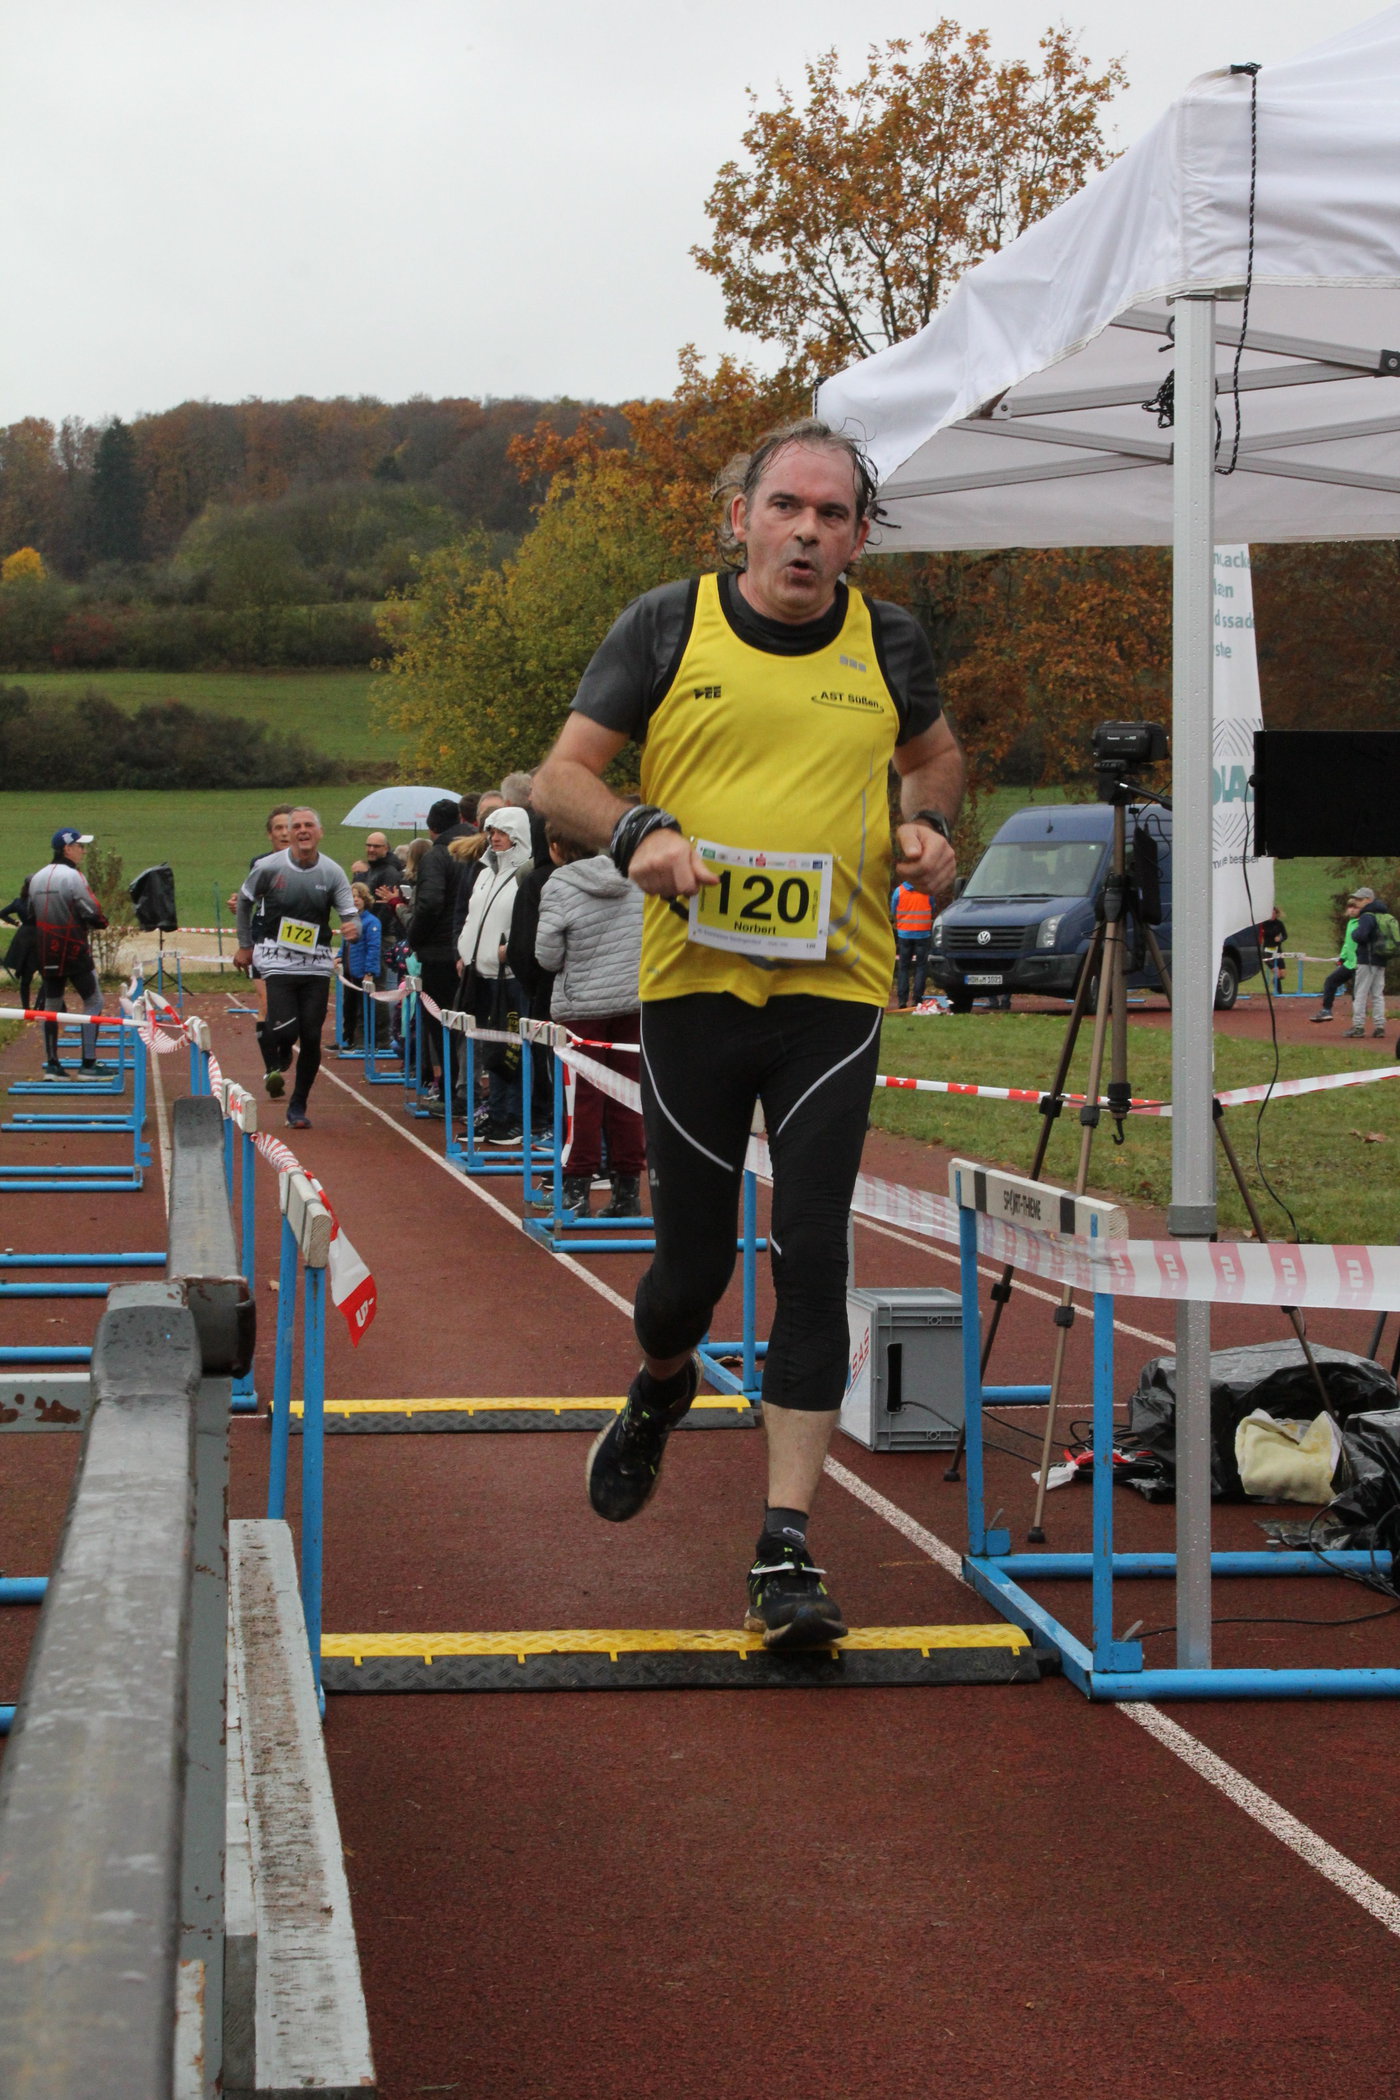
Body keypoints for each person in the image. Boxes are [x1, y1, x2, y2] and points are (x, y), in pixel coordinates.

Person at [534, 415, 962, 1648]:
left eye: (832, 515)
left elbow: (935, 759)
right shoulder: (668, 624)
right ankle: (661, 1384)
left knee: (813, 1251)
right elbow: (562, 777)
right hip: (695, 989)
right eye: (787, 507)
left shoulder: (887, 639)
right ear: (741, 519)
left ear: (859, 537)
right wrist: (638, 834)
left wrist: (928, 825)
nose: (806, 533)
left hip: (833, 987)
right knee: (690, 1271)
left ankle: (784, 1544)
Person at [535, 825, 646, 1218]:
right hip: (632, 999)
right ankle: (627, 1192)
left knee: (580, 1098)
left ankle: (577, 1188)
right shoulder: (634, 877)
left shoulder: (558, 884)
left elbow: (547, 955)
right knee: (627, 1095)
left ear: (556, 846)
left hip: (582, 1004)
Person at [233, 807, 360, 1129]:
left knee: (312, 1036)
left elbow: (350, 914)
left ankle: (298, 1104)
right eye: (297, 826)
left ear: (320, 832)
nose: (303, 830)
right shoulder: (269, 867)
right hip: (276, 958)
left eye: (309, 825)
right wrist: (245, 944)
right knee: (287, 1030)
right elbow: (244, 901)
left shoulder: (332, 872)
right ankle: (280, 1050)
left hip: (316, 961)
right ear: (289, 833)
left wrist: (353, 928)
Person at [455, 805, 534, 1142]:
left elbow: (530, 922)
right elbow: (472, 916)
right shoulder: (485, 872)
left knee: (513, 1053)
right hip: (482, 974)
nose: (495, 838)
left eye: (503, 832)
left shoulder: (525, 873)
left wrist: (512, 949)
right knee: (492, 1051)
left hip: (511, 979)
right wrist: (465, 951)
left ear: (518, 835)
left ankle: (515, 1117)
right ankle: (497, 1113)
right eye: (492, 832)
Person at [408, 797, 476, 1108]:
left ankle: (452, 1092)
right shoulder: (478, 849)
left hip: (440, 952)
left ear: (431, 828)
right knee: (470, 1023)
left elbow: (431, 903)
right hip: (472, 948)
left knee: (442, 1024)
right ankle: (465, 1089)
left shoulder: (437, 857)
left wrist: (414, 936)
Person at [28, 827, 107, 1076]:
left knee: (51, 1006)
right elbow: (92, 911)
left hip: (45, 952)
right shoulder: (74, 876)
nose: (83, 851)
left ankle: (52, 1065)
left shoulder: (37, 877)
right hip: (73, 950)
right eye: (80, 846)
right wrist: (100, 922)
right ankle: (88, 1064)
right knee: (94, 1001)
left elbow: (30, 914)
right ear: (67, 849)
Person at [1344, 886, 1393, 1039]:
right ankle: (1380, 1026)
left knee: (1360, 993)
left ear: (1368, 900)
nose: (1357, 902)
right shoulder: (1383, 914)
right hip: (1381, 959)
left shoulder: (1367, 916)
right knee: (1378, 994)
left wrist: (1354, 933)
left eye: (1360, 899)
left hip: (1367, 959)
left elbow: (1361, 935)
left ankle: (1358, 1026)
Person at [340, 882, 382, 1048]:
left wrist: (369, 972)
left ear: (365, 900)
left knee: (364, 1009)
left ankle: (366, 1042)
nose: (355, 900)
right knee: (348, 1007)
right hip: (349, 973)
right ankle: (348, 1039)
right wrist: (338, 957)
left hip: (362, 973)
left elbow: (374, 947)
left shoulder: (372, 922)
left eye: (359, 897)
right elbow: (345, 943)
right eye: (352, 897)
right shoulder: (350, 920)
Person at [1311, 897, 1360, 1021]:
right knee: (1331, 981)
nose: (1352, 910)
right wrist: (1342, 958)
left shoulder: (1364, 922)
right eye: (1350, 907)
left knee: (1358, 993)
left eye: (1355, 907)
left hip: (1360, 964)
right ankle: (1326, 1010)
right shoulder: (1351, 923)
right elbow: (1347, 943)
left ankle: (1360, 1020)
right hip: (1349, 963)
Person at [890, 878, 934, 1009]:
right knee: (921, 967)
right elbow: (932, 907)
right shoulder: (927, 890)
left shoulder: (899, 891)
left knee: (903, 967)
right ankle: (917, 999)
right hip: (923, 934)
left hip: (904, 934)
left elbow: (893, 910)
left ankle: (902, 1000)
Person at [0, 876, 38, 1013]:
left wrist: (15, 922)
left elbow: (2, 913)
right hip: (40, 937)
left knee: (25, 977)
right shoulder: (41, 902)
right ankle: (39, 1006)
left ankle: (26, 1008)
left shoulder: (18, 902)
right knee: (48, 976)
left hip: (24, 938)